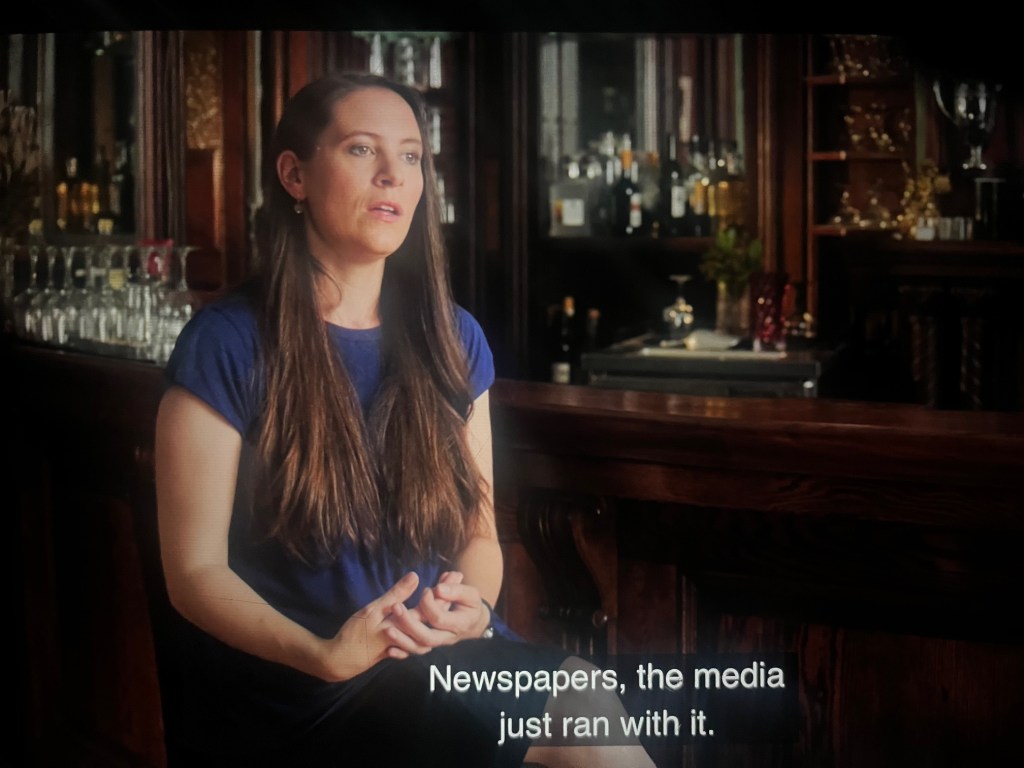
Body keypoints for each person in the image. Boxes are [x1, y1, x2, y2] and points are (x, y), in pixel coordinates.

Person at [155, 71, 655, 768]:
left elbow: (478, 535)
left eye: (412, 155)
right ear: (295, 175)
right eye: (362, 149)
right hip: (300, 685)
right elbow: (194, 572)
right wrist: (323, 654)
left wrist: (470, 608)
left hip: (430, 657)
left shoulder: (453, 337)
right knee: (581, 721)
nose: (393, 174)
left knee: (586, 706)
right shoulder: (226, 341)